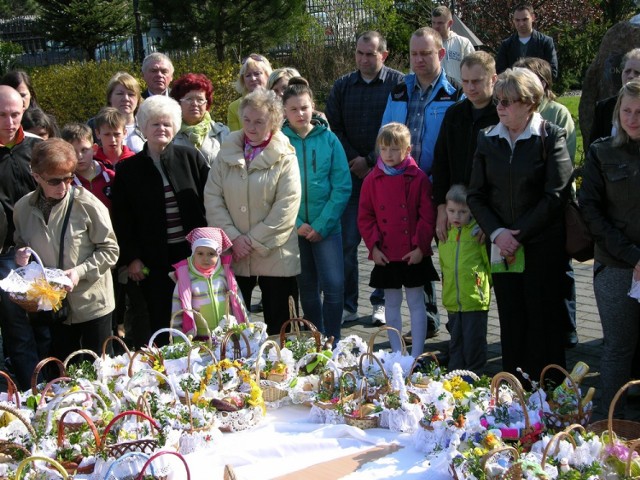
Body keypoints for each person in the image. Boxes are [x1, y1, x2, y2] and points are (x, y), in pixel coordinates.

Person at [467, 67, 572, 382]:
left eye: (508, 101)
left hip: (541, 247)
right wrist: (498, 234)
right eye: (498, 100)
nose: (499, 107)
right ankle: (514, 395)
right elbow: (475, 194)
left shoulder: (551, 136)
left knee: (543, 323)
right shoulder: (487, 138)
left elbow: (556, 195)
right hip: (502, 249)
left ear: (529, 103)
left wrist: (519, 234)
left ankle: (550, 397)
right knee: (512, 322)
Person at [382, 26, 462, 337]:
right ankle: (425, 321)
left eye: (425, 53)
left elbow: (452, 148)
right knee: (416, 255)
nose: (418, 59)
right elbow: (386, 134)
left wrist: (438, 188)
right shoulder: (399, 90)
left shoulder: (453, 93)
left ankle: (456, 322)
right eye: (414, 53)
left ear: (440, 54)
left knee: (445, 257)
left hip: (437, 188)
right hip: (403, 190)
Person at [111, 95, 210, 346]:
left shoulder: (191, 158)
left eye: (166, 123)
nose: (161, 129)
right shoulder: (128, 170)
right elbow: (122, 219)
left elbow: (209, 202)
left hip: (191, 254)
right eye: (154, 124)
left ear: (175, 126)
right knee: (160, 319)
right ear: (143, 128)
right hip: (153, 259)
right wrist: (132, 257)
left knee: (198, 314)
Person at [205, 89, 301, 335]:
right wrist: (233, 238)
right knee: (233, 330)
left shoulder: (285, 155)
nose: (251, 126)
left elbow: (287, 205)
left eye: (259, 121)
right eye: (246, 119)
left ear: (274, 121)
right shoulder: (227, 151)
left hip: (276, 254)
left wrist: (253, 239)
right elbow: (213, 197)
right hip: (234, 253)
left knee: (281, 328)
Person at [13, 138, 119, 362]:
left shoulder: (88, 205)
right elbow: (22, 242)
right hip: (53, 307)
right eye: (54, 181)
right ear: (37, 176)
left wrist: (79, 272)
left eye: (69, 178)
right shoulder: (23, 208)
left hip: (92, 304)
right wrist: (21, 256)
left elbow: (110, 250)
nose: (63, 187)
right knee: (63, 373)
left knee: (101, 371)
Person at [325, 31, 404, 326]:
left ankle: (380, 302)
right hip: (350, 178)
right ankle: (348, 304)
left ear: (383, 55)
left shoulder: (398, 84)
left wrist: (371, 160)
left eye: (370, 54)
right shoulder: (343, 85)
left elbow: (400, 128)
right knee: (346, 243)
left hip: (386, 176)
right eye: (359, 53)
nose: (363, 59)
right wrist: (356, 162)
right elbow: (333, 128)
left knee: (383, 241)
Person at [579, 79, 640, 419]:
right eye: (626, 111)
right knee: (618, 348)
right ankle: (609, 423)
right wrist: (634, 256)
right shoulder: (602, 151)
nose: (632, 119)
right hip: (616, 264)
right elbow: (590, 210)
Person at [514, 56, 579, 349]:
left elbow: (566, 157)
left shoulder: (558, 113)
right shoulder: (512, 113)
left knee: (560, 272)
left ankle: (567, 328)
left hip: (554, 205)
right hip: (524, 207)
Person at [281, 77, 351, 344]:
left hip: (327, 227)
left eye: (305, 107)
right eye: (294, 109)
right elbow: (276, 190)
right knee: (307, 287)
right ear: (284, 112)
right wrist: (297, 222)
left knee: (333, 286)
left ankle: (333, 340)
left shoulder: (329, 140)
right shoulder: (279, 142)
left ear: (313, 107)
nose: (300, 114)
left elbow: (342, 185)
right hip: (294, 228)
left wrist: (322, 224)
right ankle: (315, 339)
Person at [358, 123, 436, 357]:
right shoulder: (372, 180)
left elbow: (427, 215)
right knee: (391, 303)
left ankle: (417, 353)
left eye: (394, 149)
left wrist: (420, 247)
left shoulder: (419, 177)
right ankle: (396, 353)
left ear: (408, 149)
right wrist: (373, 246)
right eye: (384, 149)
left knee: (416, 303)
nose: (389, 155)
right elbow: (365, 216)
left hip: (412, 252)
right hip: (387, 253)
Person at [0, 86, 43, 390]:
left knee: (28, 329)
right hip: (3, 252)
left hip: (28, 254)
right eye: (2, 115)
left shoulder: (36, 149)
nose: (10, 121)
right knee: (12, 329)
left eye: (15, 114)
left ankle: (33, 390)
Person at [433, 51, 499, 241]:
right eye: (465, 81)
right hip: (455, 210)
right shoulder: (454, 114)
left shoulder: (502, 116)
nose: (470, 87)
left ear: (493, 79)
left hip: (489, 211)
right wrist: (441, 207)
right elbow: (441, 162)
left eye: (476, 81)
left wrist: (492, 220)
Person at [438, 185, 490, 371]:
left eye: (462, 212)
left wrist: (482, 285)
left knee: (473, 341)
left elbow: (488, 264)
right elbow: (444, 265)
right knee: (456, 341)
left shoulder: (477, 234)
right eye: (451, 211)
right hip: (453, 299)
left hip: (474, 299)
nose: (456, 216)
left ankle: (475, 378)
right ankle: (455, 376)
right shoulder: (446, 234)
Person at [171, 227, 244, 338]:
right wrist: (178, 337)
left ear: (218, 254)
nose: (205, 258)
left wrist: (246, 326)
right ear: (193, 252)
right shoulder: (186, 278)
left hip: (227, 335)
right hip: (200, 337)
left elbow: (238, 300)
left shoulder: (224, 274)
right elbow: (177, 309)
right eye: (200, 253)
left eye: (211, 254)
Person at [514, 57, 576, 162]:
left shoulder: (558, 113)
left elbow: (566, 158)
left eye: (524, 81)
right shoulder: (507, 110)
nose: (517, 86)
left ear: (542, 84)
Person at [170, 73, 230, 166]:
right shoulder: (170, 133)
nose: (194, 103)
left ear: (207, 103)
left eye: (200, 99)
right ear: (179, 103)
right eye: (189, 99)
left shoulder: (222, 132)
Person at [589, 48, 640, 148]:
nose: (630, 76)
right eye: (627, 71)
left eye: (637, 72)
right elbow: (594, 146)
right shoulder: (604, 107)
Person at [496, 3, 558, 80]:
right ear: (513, 21)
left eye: (525, 19)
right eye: (517, 20)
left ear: (533, 18)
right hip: (514, 90)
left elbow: (553, 72)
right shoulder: (506, 45)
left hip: (538, 90)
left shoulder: (545, 42)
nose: (521, 24)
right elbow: (500, 72)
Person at [61, 123, 115, 209]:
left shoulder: (111, 177)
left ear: (94, 149)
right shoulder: (64, 184)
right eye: (73, 151)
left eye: (84, 150)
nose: (79, 156)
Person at [88, 72, 145, 153]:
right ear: (109, 98)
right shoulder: (94, 125)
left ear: (138, 99)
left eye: (131, 94)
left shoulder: (147, 125)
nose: (126, 98)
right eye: (120, 94)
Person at [431, 5, 475, 89]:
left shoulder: (463, 43)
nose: (436, 26)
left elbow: (473, 70)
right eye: (433, 22)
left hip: (458, 94)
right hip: (434, 94)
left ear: (450, 23)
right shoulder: (426, 44)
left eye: (440, 23)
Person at [227, 54, 273, 132]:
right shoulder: (234, 107)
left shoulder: (277, 101)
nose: (253, 78)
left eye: (257, 73)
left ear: (267, 75)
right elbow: (235, 139)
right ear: (243, 80)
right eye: (248, 75)